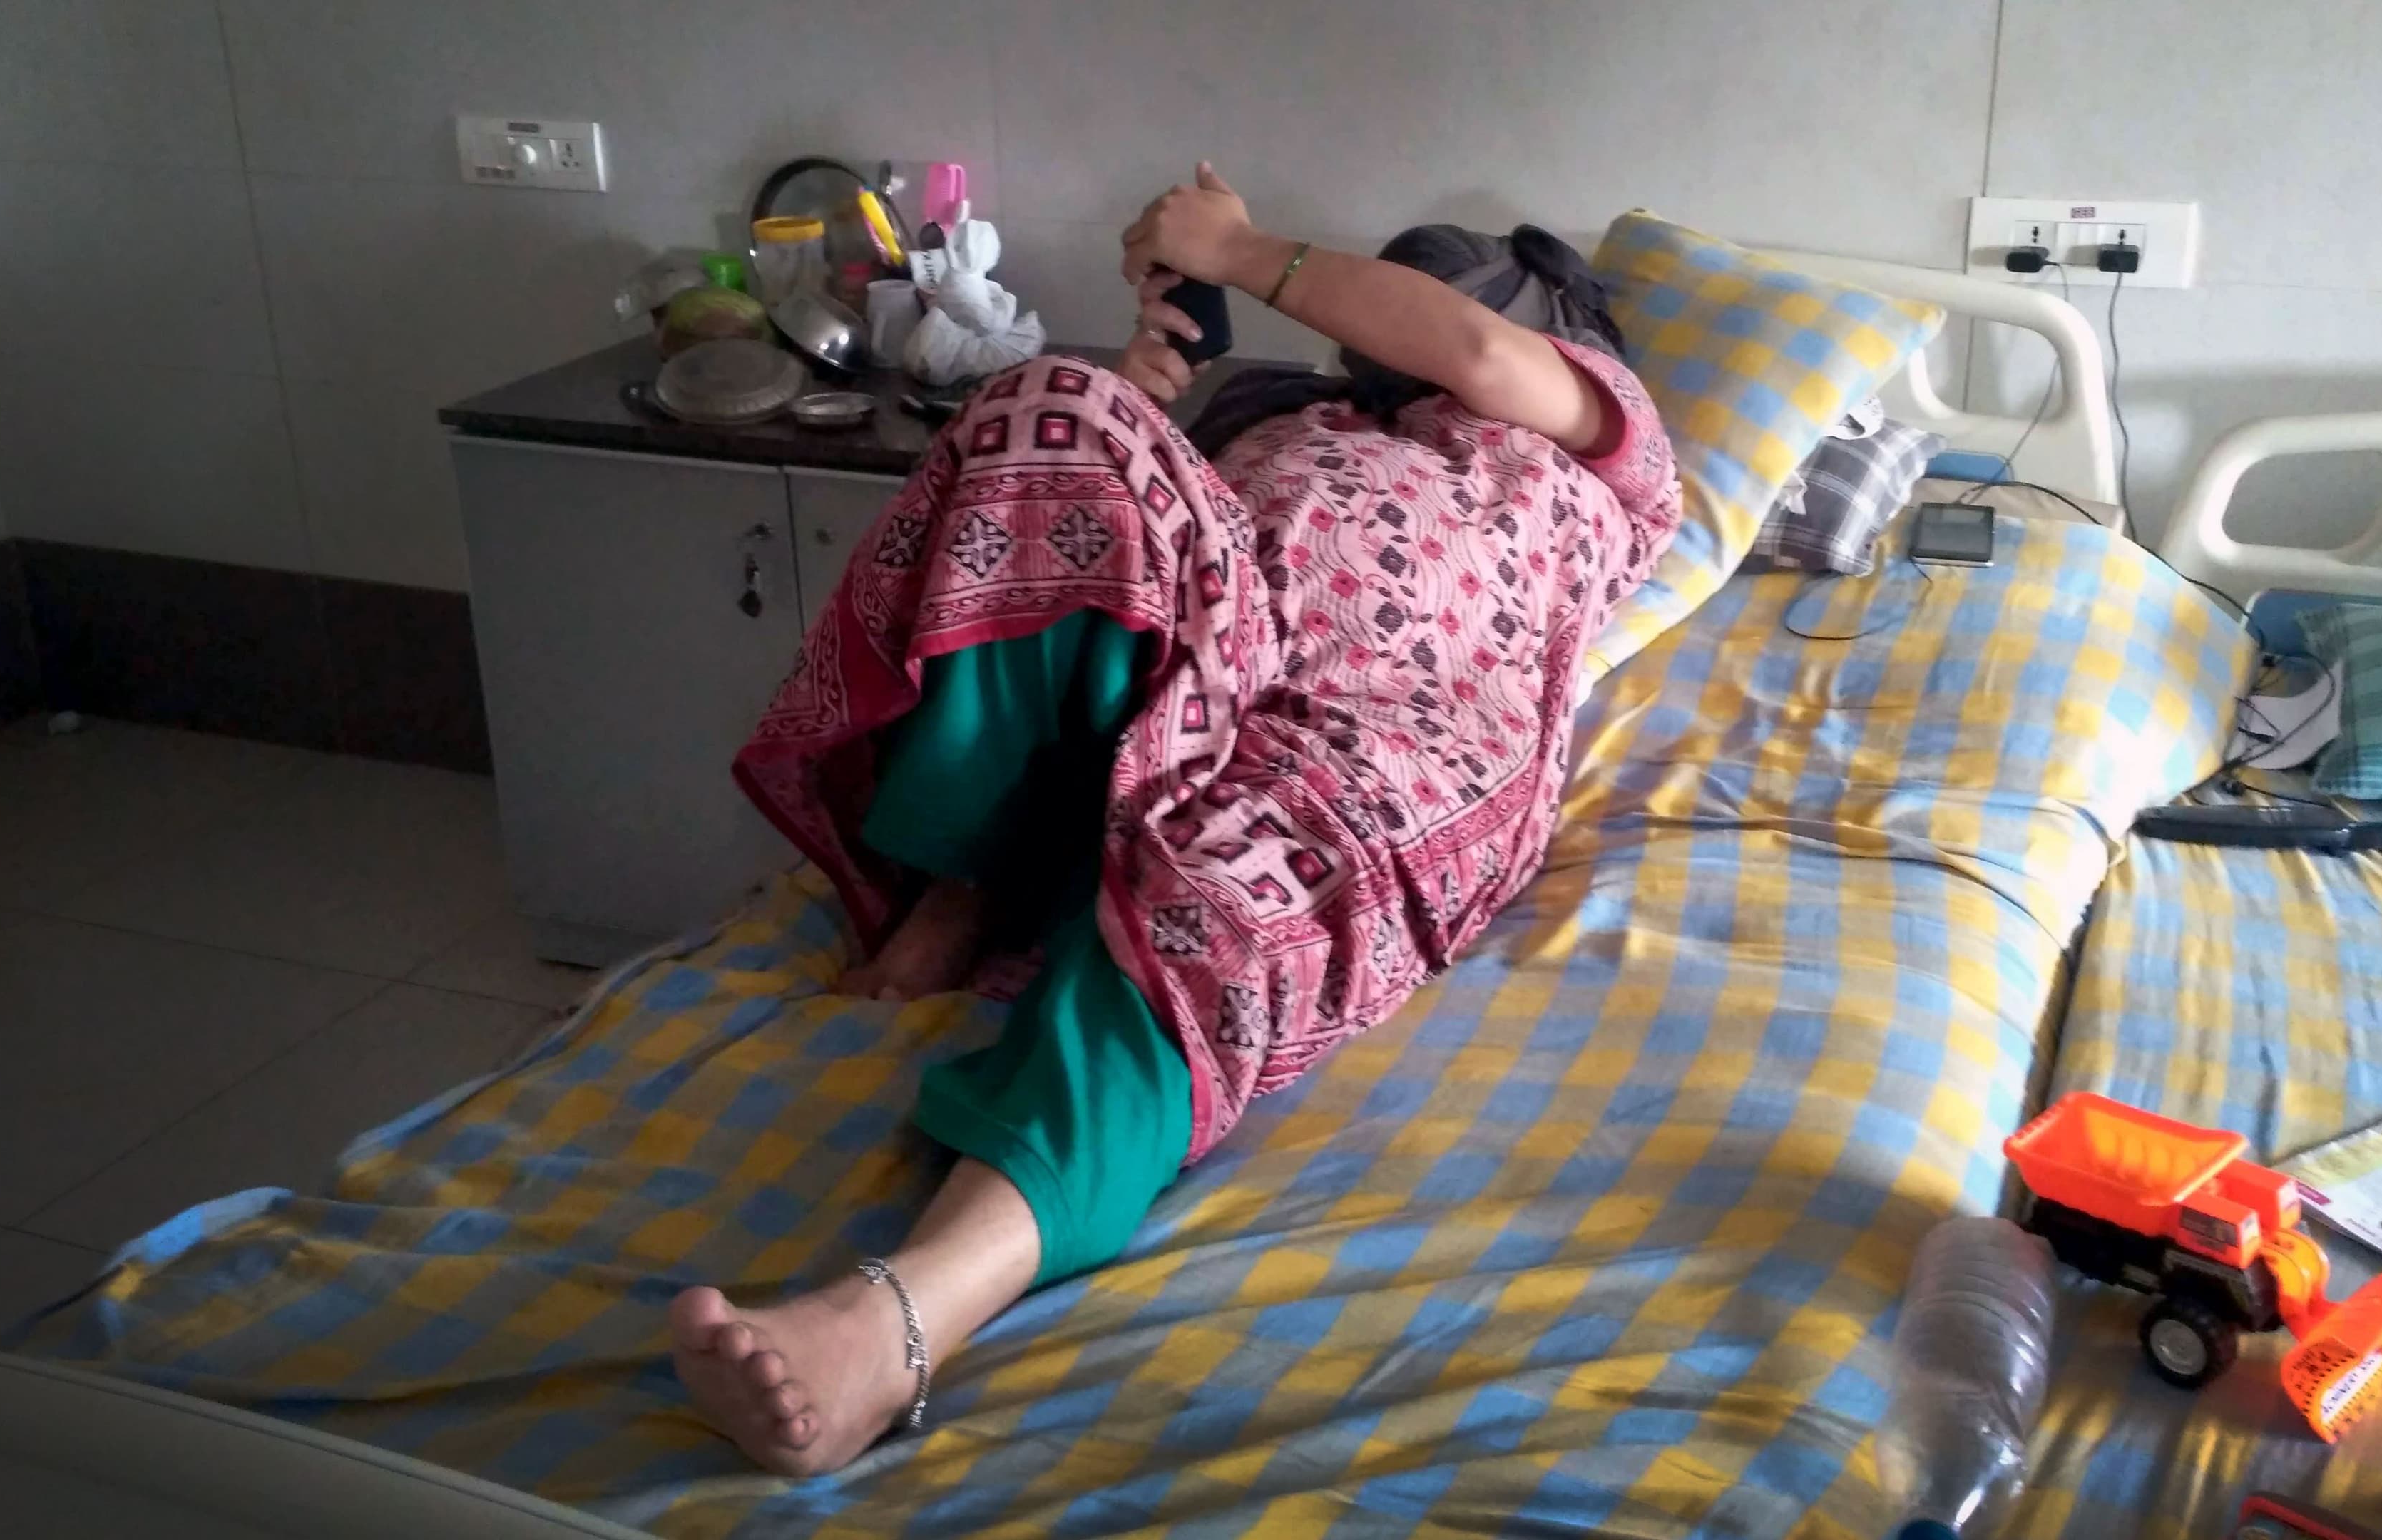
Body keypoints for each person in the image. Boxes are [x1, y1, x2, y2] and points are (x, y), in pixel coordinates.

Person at [669, 164, 1680, 1475]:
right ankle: (961, 890)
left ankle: (897, 1320)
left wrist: (1251, 245)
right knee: (1055, 406)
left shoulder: (1607, 440)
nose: (1396, 327)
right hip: (1193, 665)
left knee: (1216, 901)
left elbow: (1477, 348)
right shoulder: (1288, 409)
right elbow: (1097, 528)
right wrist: (1148, 395)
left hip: (1384, 732)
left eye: (1426, 290)